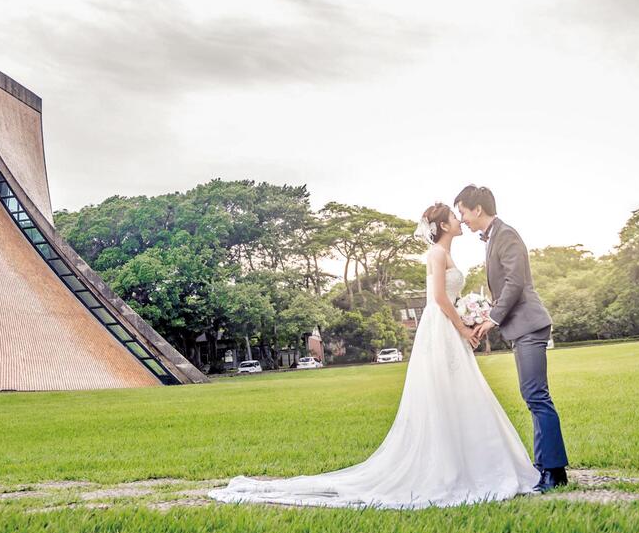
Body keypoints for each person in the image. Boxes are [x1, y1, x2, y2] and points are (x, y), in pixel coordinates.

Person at [208, 203, 540, 509]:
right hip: (441, 326)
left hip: (447, 326)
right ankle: (449, 468)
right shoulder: (436, 253)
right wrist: (464, 328)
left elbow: (448, 298)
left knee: (461, 392)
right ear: (442, 225)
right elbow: (438, 298)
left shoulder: (446, 253)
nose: (459, 220)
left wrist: (469, 314)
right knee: (446, 392)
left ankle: (471, 462)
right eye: (454, 217)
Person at [454, 184, 569, 492]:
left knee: (536, 395)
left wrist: (492, 318)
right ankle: (544, 465)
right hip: (521, 327)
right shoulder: (494, 237)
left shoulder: (506, 235)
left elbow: (515, 283)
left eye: (463, 212)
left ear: (478, 209)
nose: (462, 219)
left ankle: (554, 471)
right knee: (533, 395)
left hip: (529, 324)